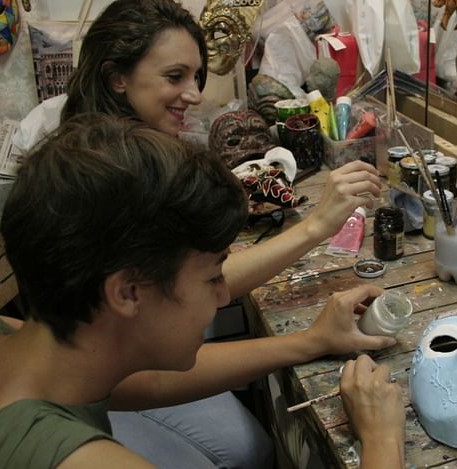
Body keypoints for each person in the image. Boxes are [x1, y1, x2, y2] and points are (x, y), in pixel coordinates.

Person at [42, 0, 386, 467]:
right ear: (116, 76)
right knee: (244, 452)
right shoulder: (106, 182)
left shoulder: (133, 152)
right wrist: (310, 335)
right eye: (174, 76)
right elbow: (134, 373)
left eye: (197, 77)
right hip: (96, 390)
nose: (195, 94)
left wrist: (315, 233)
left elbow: (193, 287)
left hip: (127, 366)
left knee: (253, 447)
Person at [0, 113, 404, 468]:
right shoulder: (83, 461)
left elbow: (147, 384)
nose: (223, 295)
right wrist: (382, 440)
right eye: (212, 277)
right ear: (127, 293)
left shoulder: (2, 337)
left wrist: (312, 341)